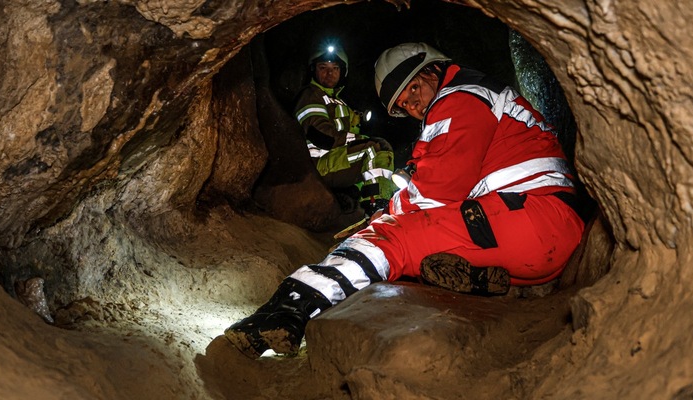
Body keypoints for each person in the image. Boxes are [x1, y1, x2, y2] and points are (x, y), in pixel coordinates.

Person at [224, 42, 586, 359]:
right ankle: (476, 280)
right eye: (403, 104)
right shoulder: (477, 95)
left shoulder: (459, 98)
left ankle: (288, 309)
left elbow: (437, 191)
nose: (412, 105)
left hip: (527, 218)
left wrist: (384, 216)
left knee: (391, 237)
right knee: (420, 244)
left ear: (433, 70)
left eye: (413, 90)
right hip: (528, 233)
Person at [294, 42, 397, 217]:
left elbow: (348, 142)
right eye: (323, 67)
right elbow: (322, 136)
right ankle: (377, 207)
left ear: (342, 72)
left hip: (335, 160)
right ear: (314, 70)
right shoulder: (312, 95)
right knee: (374, 150)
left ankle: (362, 200)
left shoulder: (339, 102)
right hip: (319, 163)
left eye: (335, 68)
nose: (329, 73)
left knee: (374, 156)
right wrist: (361, 139)